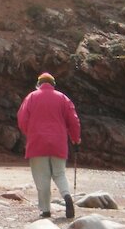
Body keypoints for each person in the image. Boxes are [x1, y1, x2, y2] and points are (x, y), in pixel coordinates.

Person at [17, 72, 81, 219]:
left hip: (37, 141)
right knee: (59, 174)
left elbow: (22, 118)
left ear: (39, 84)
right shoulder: (63, 98)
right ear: (53, 84)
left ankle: (45, 210)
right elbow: (74, 120)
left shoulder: (31, 97)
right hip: (58, 142)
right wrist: (75, 139)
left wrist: (30, 132)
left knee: (42, 177)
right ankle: (67, 196)